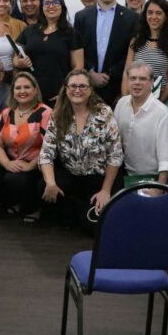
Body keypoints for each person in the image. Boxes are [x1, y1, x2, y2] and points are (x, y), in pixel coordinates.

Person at [38, 69, 122, 230]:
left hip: (99, 179)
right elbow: (46, 153)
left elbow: (115, 155)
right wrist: (50, 183)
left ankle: (79, 214)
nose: (77, 90)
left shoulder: (104, 113)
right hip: (72, 176)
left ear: (91, 89)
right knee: (43, 186)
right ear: (66, 89)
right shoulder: (57, 114)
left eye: (83, 86)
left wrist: (105, 190)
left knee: (92, 226)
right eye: (73, 86)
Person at [0, 71, 51, 221]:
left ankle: (31, 206)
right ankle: (9, 201)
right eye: (18, 88)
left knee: (15, 180)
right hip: (9, 158)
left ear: (35, 90)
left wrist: (30, 166)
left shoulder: (46, 113)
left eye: (27, 87)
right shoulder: (7, 112)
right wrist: (7, 163)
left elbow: (49, 148)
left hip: (35, 163)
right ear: (13, 92)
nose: (22, 91)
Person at [74, 0, 138, 105]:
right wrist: (90, 72)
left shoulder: (131, 18)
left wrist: (110, 73)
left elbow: (131, 53)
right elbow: (77, 50)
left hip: (118, 87)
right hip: (87, 86)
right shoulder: (81, 17)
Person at [14, 0, 83, 104]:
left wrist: (66, 91)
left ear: (62, 6)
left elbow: (78, 67)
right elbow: (16, 59)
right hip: (29, 95)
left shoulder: (71, 33)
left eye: (55, 2)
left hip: (59, 97)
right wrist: (19, 62)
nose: (51, 6)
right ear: (41, 7)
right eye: (47, 3)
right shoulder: (29, 31)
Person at [114, 62, 168, 186]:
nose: (137, 82)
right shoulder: (121, 104)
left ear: (152, 82)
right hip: (123, 174)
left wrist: (158, 188)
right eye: (133, 78)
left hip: (151, 179)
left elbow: (167, 159)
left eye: (142, 79)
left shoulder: (163, 114)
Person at [121, 0, 168, 104]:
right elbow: (127, 72)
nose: (153, 17)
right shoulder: (136, 40)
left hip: (159, 102)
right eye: (150, 12)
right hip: (133, 100)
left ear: (166, 17)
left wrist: (156, 104)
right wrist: (125, 98)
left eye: (159, 13)